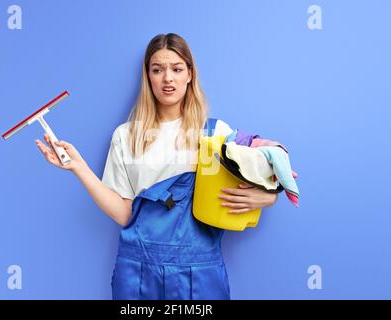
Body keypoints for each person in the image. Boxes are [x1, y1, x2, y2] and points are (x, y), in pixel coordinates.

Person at [36, 33, 278, 299]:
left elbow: (271, 154)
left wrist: (268, 197)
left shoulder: (215, 134)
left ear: (190, 74)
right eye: (157, 69)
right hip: (138, 272)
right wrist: (78, 167)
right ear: (147, 76)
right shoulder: (127, 136)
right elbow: (125, 214)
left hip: (200, 272)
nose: (168, 78)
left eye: (177, 69)